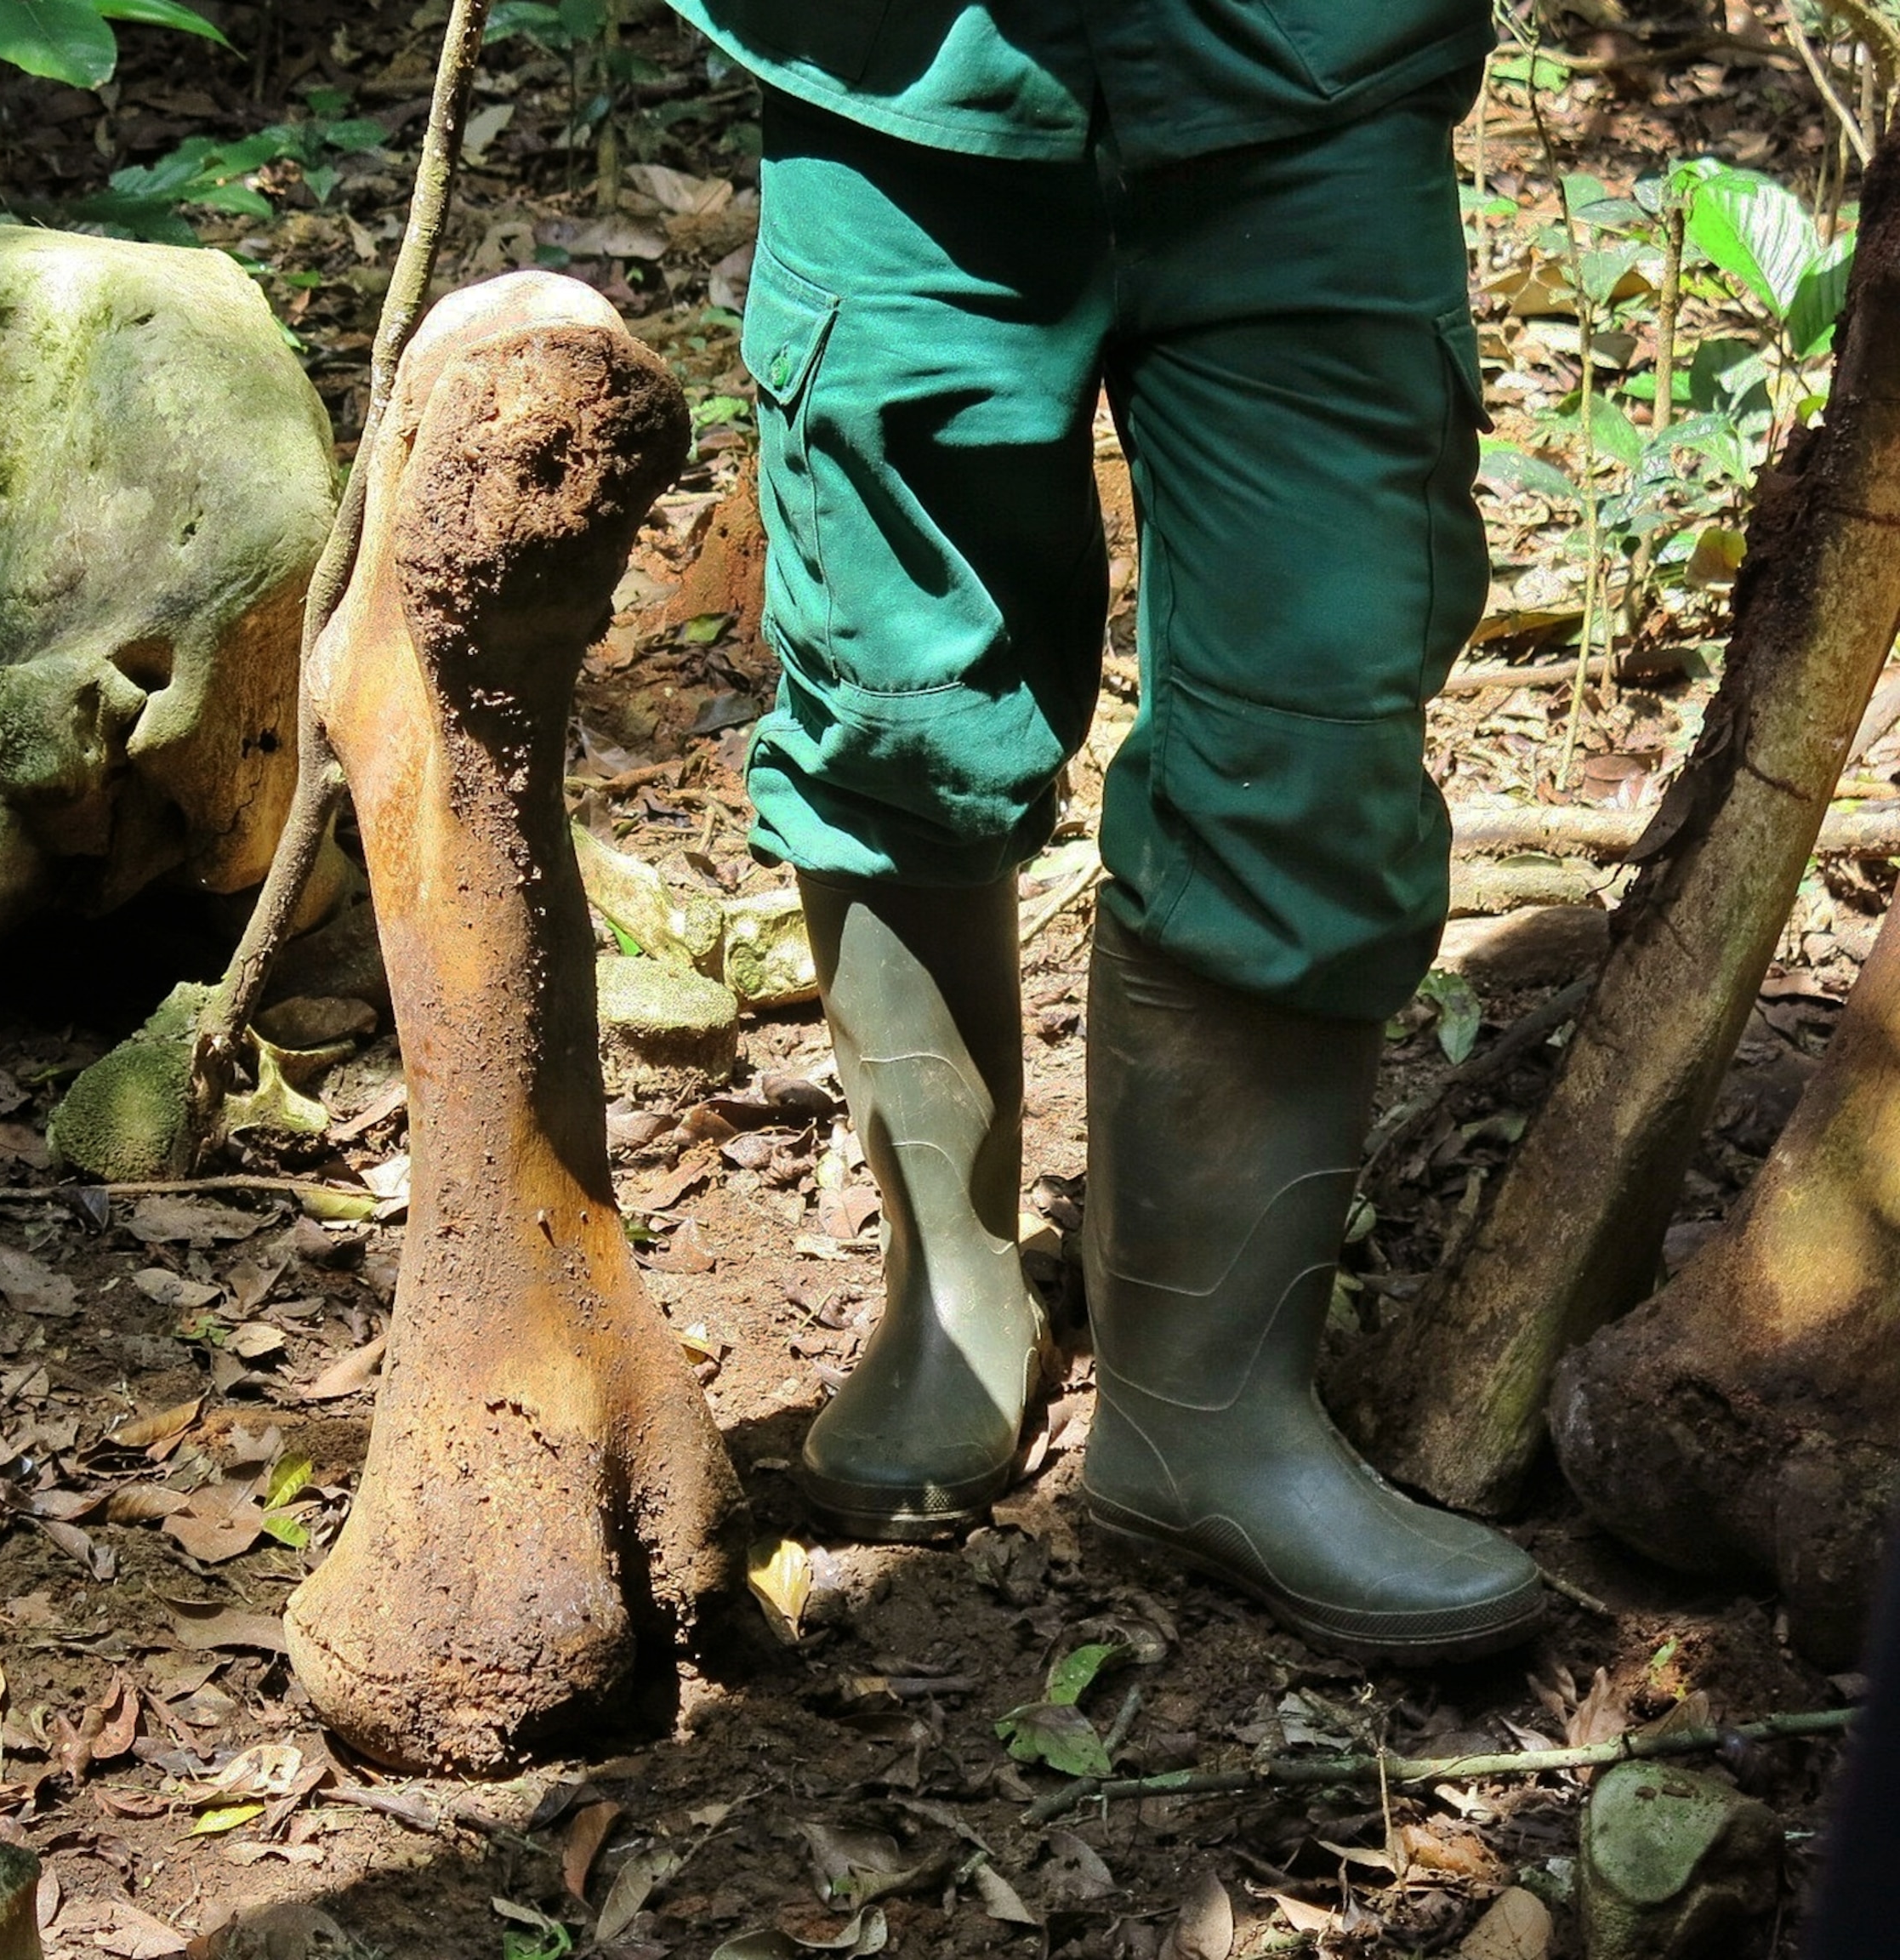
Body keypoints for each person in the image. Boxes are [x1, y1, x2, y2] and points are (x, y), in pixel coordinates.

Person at [663, 0, 1547, 1662]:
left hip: (1317, 61)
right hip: (897, 64)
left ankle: (1210, 1418)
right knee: (892, 697)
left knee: (1312, 726)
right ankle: (948, 1295)